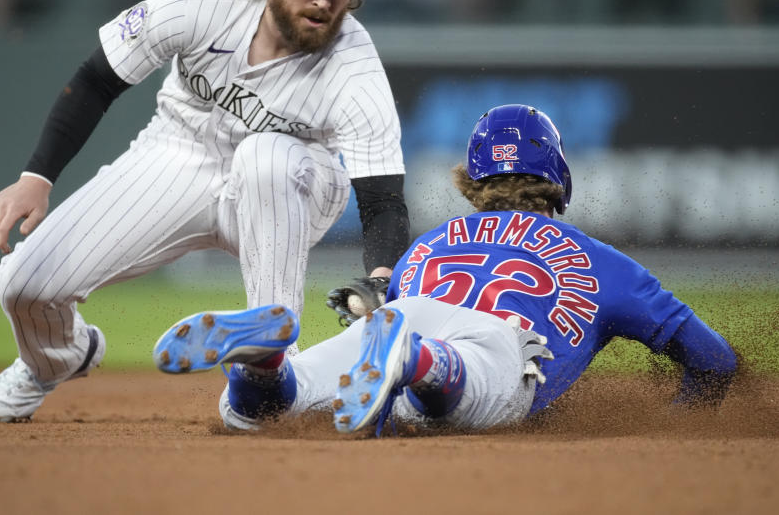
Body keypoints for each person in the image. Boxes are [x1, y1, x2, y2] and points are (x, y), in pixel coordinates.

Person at [0, 0, 409, 422]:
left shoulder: (355, 68)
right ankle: (56, 359)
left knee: (265, 154)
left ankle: (268, 372)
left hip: (293, 182)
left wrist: (381, 280)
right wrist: (35, 177)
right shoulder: (200, 1)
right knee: (24, 287)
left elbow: (381, 201)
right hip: (177, 155)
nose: (321, 0)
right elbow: (96, 80)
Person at [152, 104, 738, 436]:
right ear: (557, 174)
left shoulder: (428, 246)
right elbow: (714, 361)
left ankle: (264, 365)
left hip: (403, 313)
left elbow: (392, 331)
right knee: (461, 390)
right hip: (491, 344)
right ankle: (417, 363)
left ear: (473, 177)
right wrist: (678, 424)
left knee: (265, 413)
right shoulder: (600, 259)